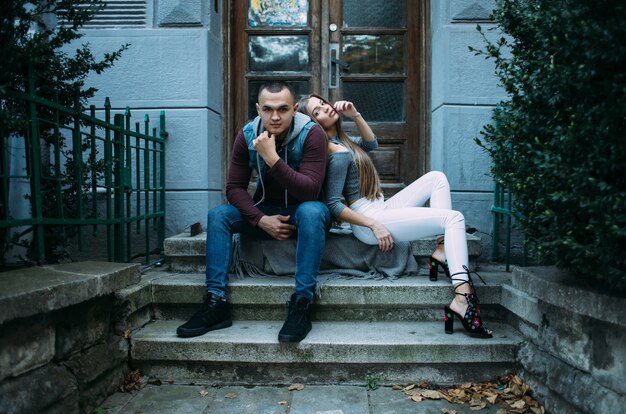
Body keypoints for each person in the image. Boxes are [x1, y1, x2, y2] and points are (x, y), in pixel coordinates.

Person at [298, 94, 492, 338]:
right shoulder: (332, 150)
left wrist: (355, 115)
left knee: (436, 178)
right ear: (313, 124)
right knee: (453, 219)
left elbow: (372, 144)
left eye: (324, 103)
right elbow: (334, 205)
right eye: (317, 112)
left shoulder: (343, 140)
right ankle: (463, 298)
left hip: (382, 207)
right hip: (368, 219)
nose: (326, 109)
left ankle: (442, 251)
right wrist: (375, 225)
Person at [177, 82, 331, 343]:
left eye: (283, 109)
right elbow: (234, 188)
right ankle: (216, 302)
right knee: (218, 215)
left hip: (304, 213)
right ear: (258, 109)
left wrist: (272, 159)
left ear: (294, 109)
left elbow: (310, 191)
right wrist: (260, 219)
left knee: (313, 211)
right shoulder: (247, 135)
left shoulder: (312, 133)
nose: (275, 117)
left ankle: (301, 302)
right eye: (268, 109)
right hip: (267, 211)